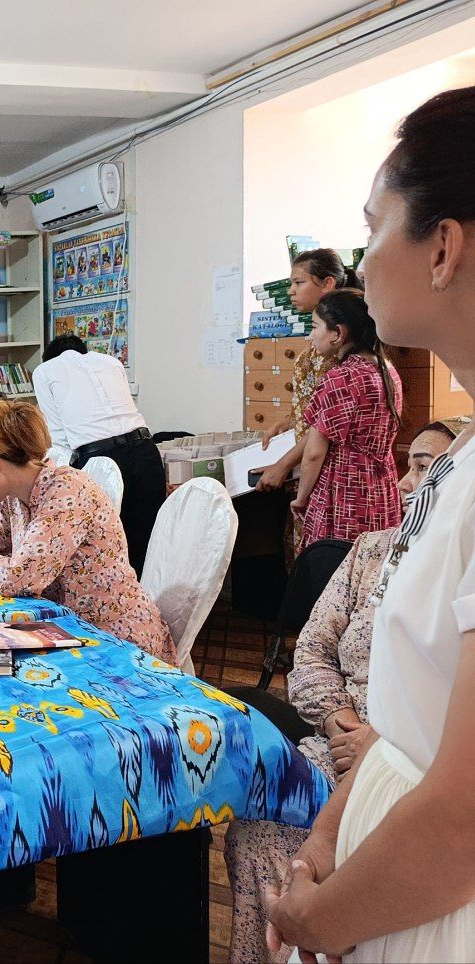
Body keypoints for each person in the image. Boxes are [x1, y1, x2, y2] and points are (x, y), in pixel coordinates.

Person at [264, 86, 475, 962]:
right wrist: (331, 831)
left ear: (443, 248)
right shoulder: (459, 458)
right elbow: (414, 709)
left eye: (373, 225)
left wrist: (317, 916)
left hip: (424, 905)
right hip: (386, 870)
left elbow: (463, 813)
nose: (360, 260)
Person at [226, 423, 454, 964]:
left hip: (418, 764)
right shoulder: (369, 552)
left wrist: (383, 743)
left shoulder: (457, 577)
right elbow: (310, 650)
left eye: (426, 468)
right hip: (339, 742)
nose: (402, 482)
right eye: (410, 464)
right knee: (258, 816)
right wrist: (338, 720)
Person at [0, 397, 174, 661]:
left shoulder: (66, 492)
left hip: (115, 640)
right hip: (66, 627)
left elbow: (21, 578)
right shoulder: (16, 495)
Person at [30, 334, 165, 574]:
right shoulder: (111, 362)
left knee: (105, 541)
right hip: (146, 451)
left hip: (101, 460)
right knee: (148, 536)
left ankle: (115, 602)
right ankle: (145, 602)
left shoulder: (44, 371)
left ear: (48, 358)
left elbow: (58, 437)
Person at [290, 290, 402, 550]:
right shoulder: (387, 370)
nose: (311, 335)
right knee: (371, 567)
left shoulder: (340, 378)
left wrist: (301, 496)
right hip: (381, 488)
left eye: (315, 327)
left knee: (333, 571)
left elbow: (314, 453)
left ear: (338, 333)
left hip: (342, 492)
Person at [255, 248, 360, 492]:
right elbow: (316, 405)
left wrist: (282, 465)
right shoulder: (322, 338)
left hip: (326, 468)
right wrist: (291, 420)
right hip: (307, 460)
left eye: (298, 282)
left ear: (327, 283)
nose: (290, 290)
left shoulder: (337, 350)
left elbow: (325, 425)